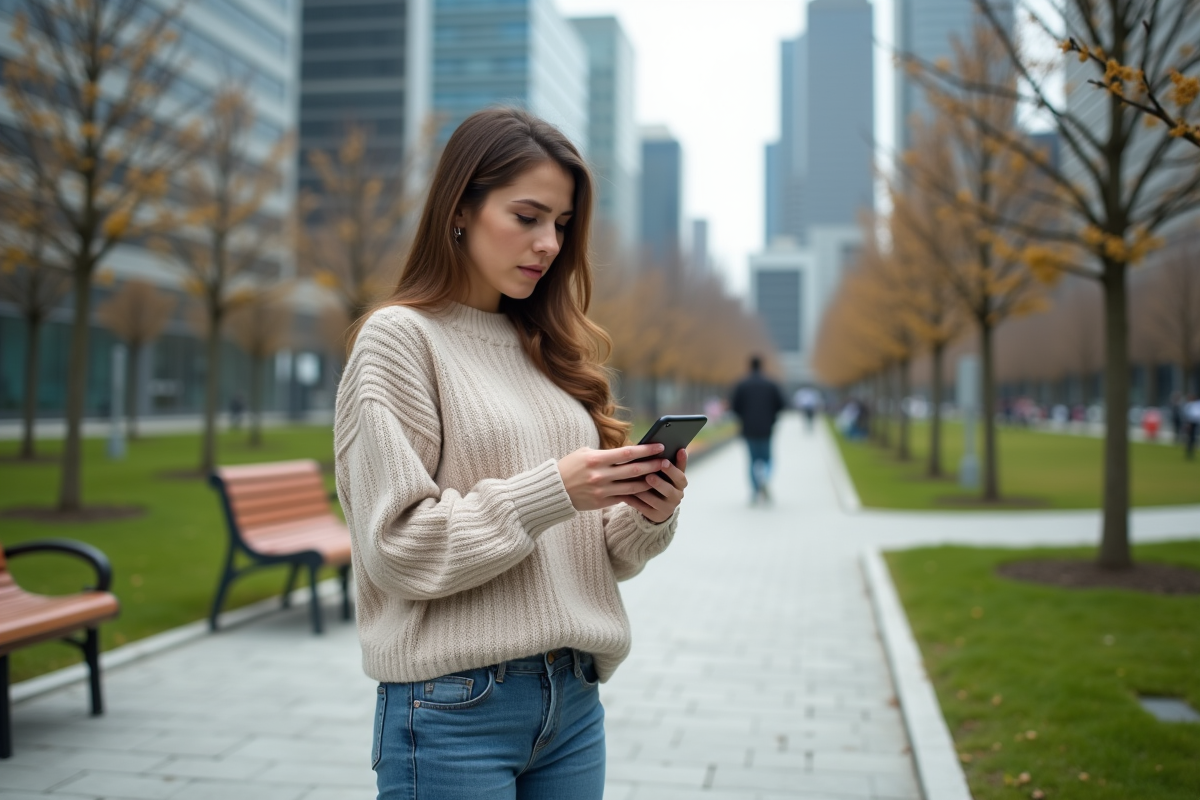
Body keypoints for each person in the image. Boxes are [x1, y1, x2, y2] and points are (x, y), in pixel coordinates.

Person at [333, 108, 689, 799]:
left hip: (574, 699)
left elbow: (598, 554)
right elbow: (399, 548)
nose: (549, 243)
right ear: (460, 209)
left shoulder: (545, 347)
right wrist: (554, 488)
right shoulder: (400, 341)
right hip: (453, 707)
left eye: (560, 224)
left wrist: (647, 513)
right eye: (527, 216)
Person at [730, 356, 786, 503]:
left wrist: (744, 417)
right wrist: (772, 416)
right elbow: (782, 404)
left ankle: (755, 489)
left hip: (748, 428)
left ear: (749, 366)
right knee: (767, 459)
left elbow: (735, 407)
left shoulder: (742, 385)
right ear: (762, 366)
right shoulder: (771, 384)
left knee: (753, 460)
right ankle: (765, 478)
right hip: (767, 427)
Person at [1184, 393, 1200, 460]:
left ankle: (1191, 451)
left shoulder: (1195, 404)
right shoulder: (1190, 404)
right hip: (1191, 423)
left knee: (1193, 438)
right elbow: (1188, 415)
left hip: (1195, 422)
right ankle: (1189, 451)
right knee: (1191, 438)